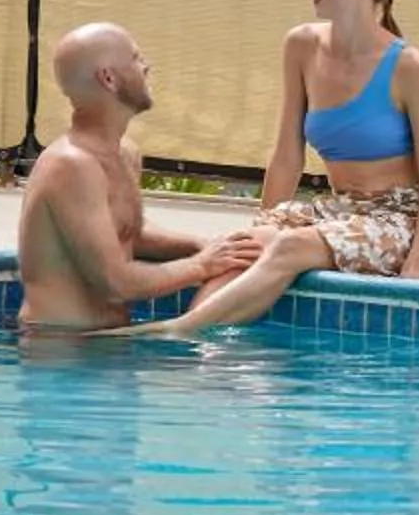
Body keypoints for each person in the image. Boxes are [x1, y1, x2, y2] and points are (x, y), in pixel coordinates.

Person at [164, 0, 419, 333]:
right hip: (340, 212)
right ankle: (198, 354)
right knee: (239, 251)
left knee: (290, 246)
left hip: (401, 224)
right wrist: (262, 226)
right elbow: (286, 156)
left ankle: (177, 331)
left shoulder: (410, 68)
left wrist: (417, 269)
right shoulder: (301, 46)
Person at [16, 22, 259, 331]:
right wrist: (201, 265)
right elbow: (115, 282)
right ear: (109, 78)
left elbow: (129, 235)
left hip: (108, 345)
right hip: (59, 350)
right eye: (135, 57)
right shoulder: (71, 165)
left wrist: (203, 245)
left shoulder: (124, 153)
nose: (147, 66)